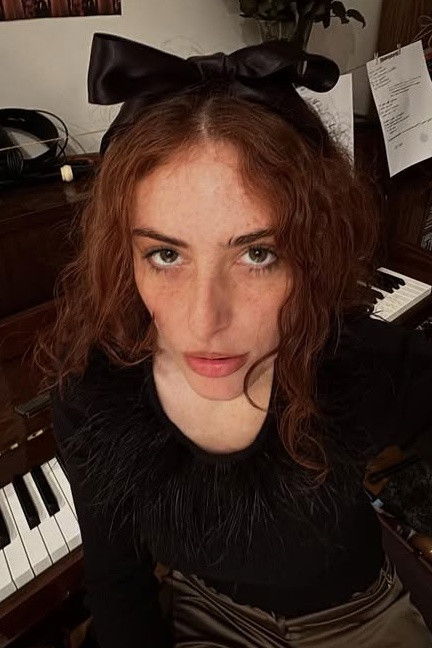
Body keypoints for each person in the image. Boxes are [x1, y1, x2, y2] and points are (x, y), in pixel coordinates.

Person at [34, 32, 432, 648]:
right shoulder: (92, 397)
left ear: (312, 253)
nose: (203, 323)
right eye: (166, 254)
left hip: (357, 619)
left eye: (258, 254)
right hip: (208, 616)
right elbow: (119, 587)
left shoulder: (360, 363)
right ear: (123, 257)